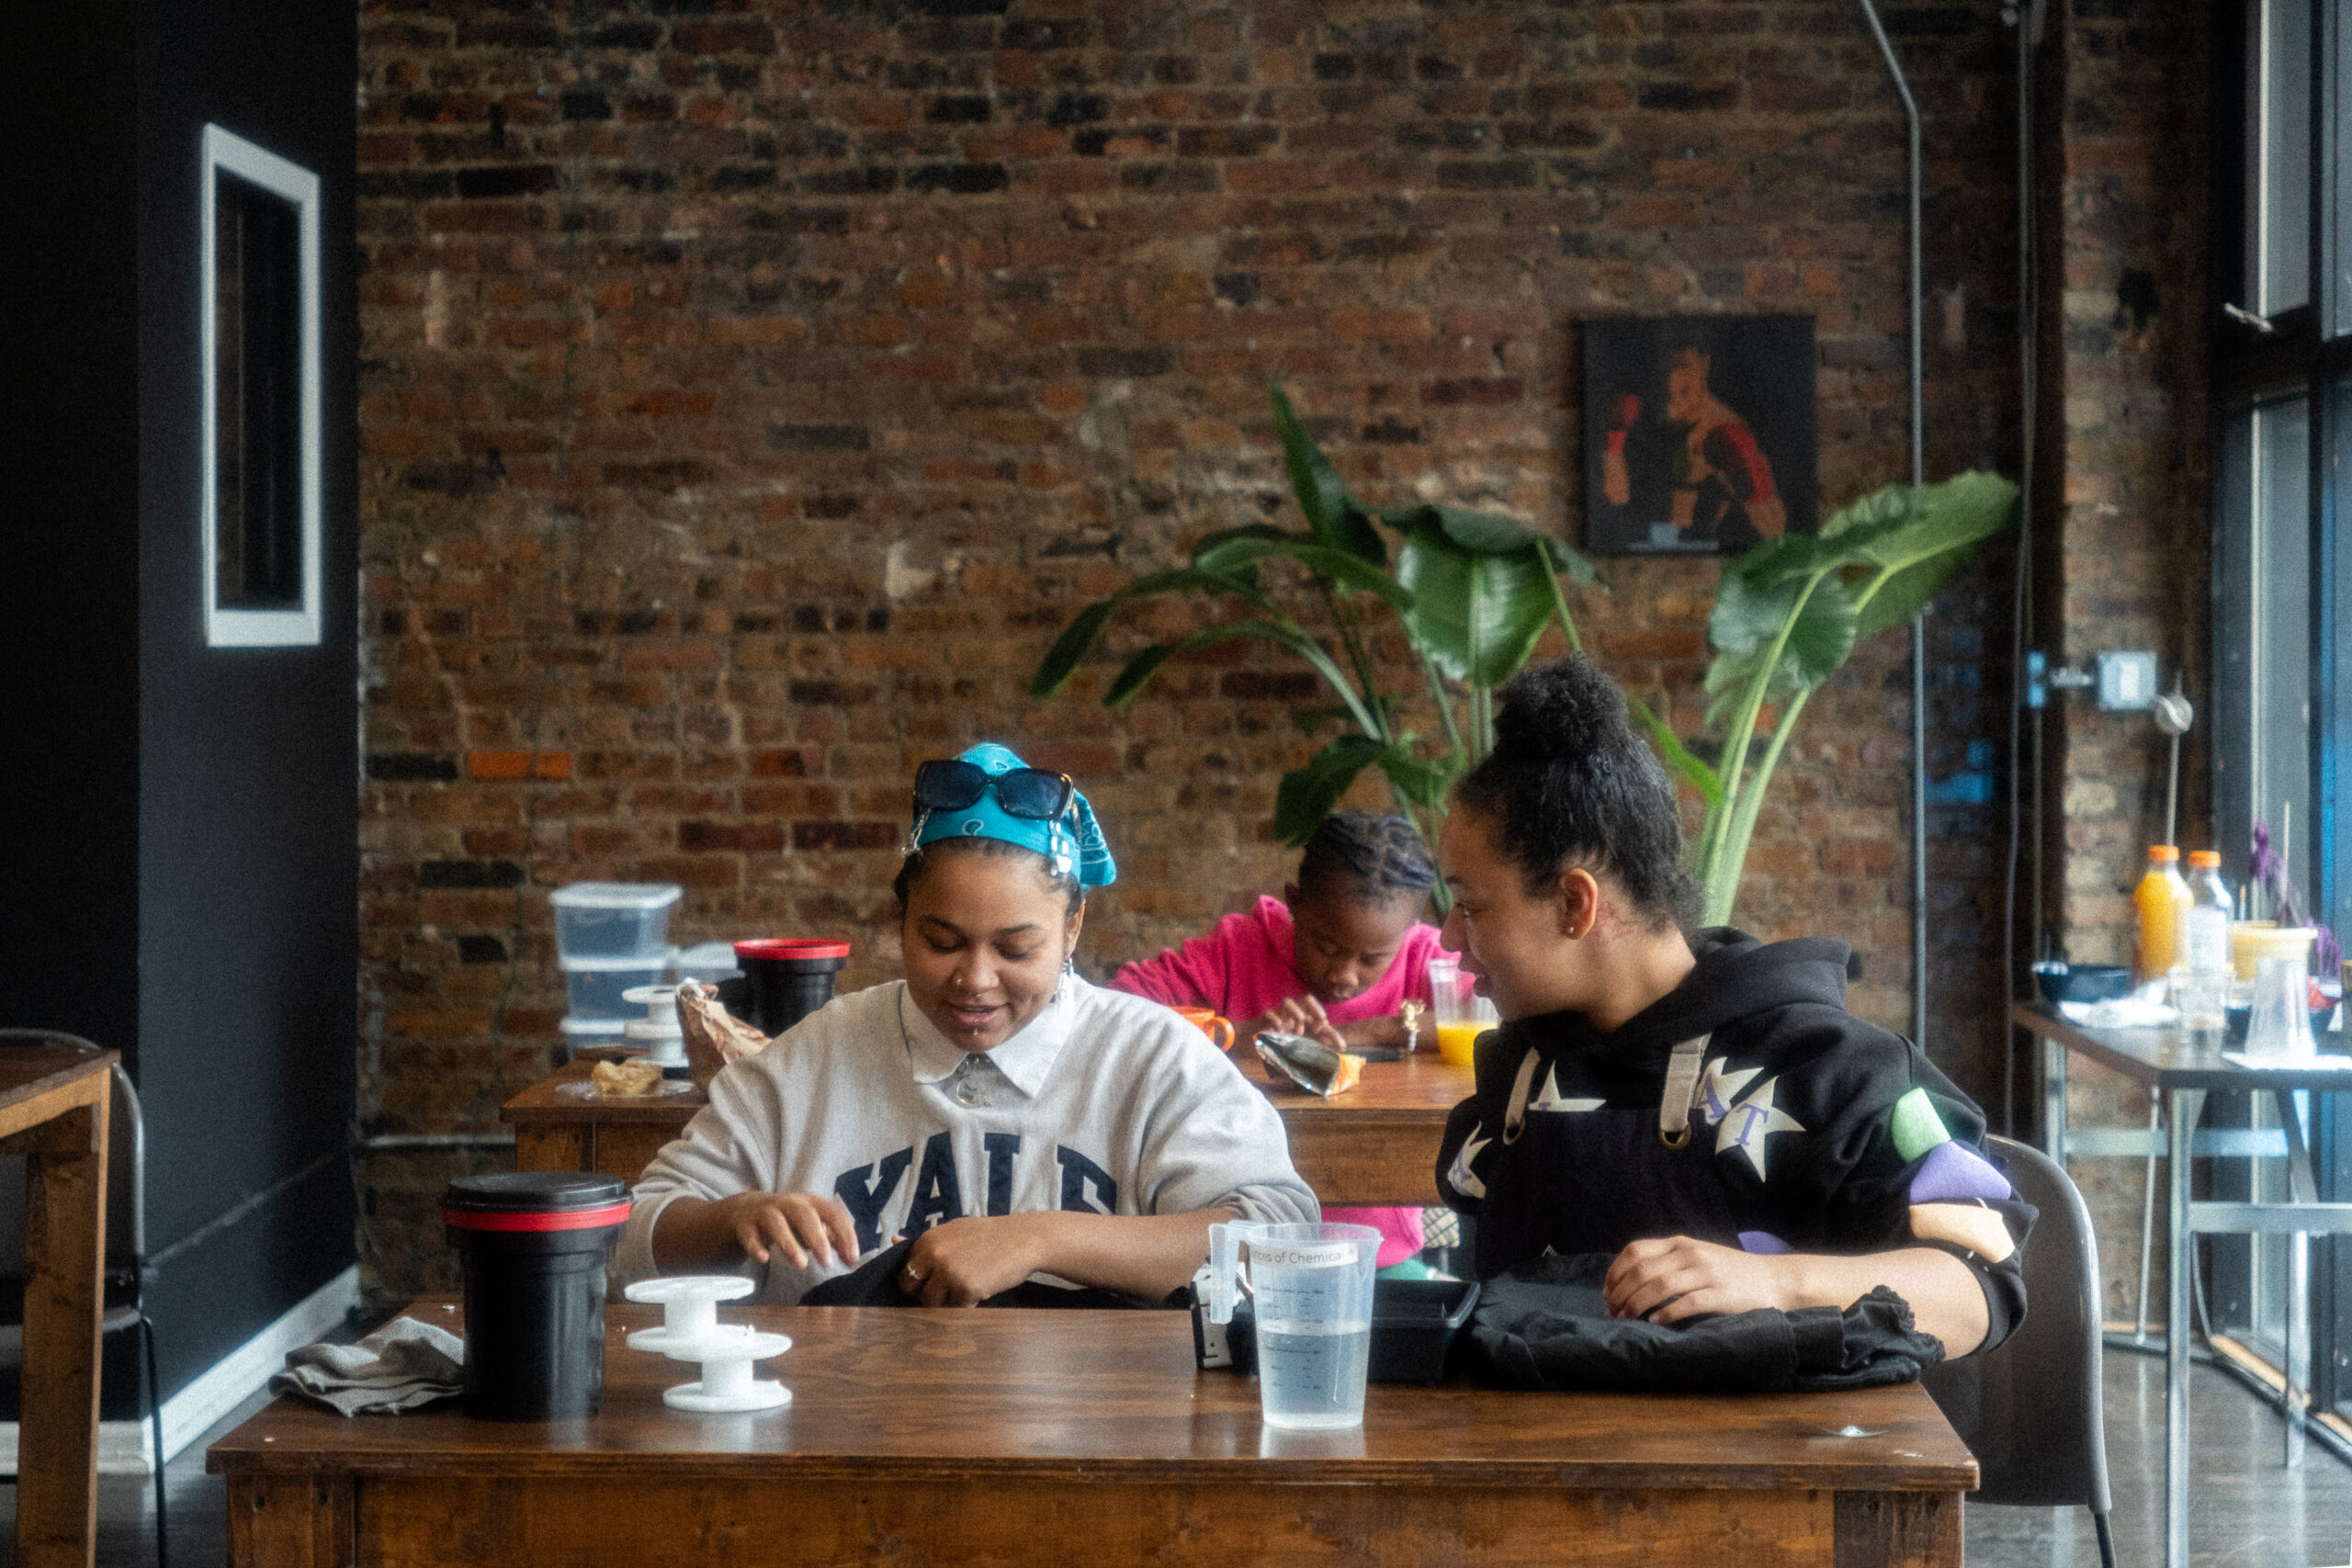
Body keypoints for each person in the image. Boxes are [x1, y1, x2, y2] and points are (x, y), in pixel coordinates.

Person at [1431, 657, 2030, 1356]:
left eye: (1470, 905)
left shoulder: (1835, 1072)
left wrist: (1776, 1281)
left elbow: (1981, 1286)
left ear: (1574, 902)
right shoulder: (1523, 1072)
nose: (1446, 935)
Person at [614, 743, 1318, 1306]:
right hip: (852, 1424)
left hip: (1102, 1428)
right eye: (942, 941)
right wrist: (732, 1218)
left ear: (1073, 926)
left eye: (1016, 949)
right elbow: (624, 1243)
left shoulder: (1153, 1058)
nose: (976, 978)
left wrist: (1041, 1239)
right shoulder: (813, 1061)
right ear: (901, 919)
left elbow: (1282, 1238)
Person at [1110, 811, 1453, 1271]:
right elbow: (1119, 1009)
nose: (1345, 975)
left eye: (1373, 959)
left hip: (1377, 1255)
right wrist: (1233, 1035)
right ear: (1295, 904)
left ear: (1409, 931)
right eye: (1327, 946)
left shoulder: (1425, 959)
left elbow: (1495, 1021)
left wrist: (1374, 1031)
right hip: (1241, 1253)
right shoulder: (1239, 949)